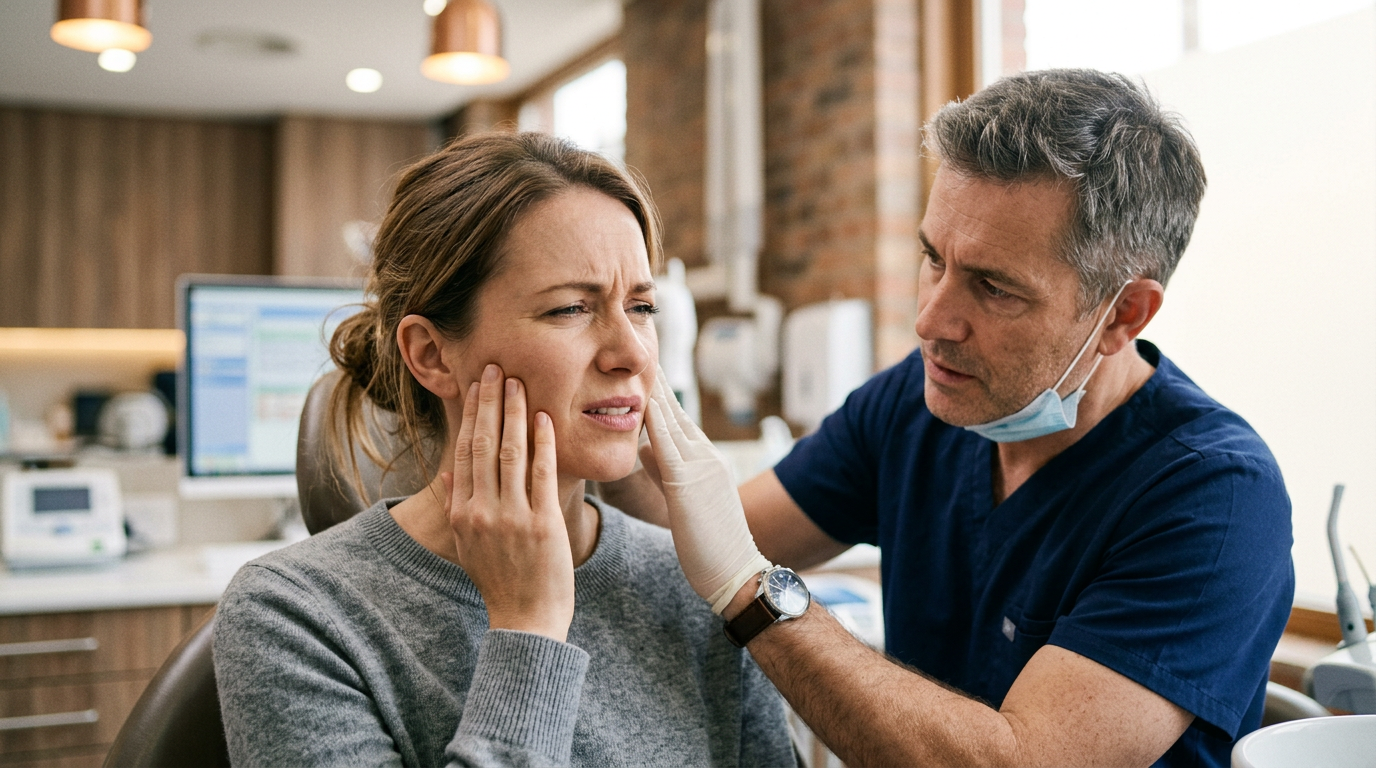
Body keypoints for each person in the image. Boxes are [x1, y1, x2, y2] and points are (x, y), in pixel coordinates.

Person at [633, 69, 1294, 767]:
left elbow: (1022, 761)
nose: (931, 320)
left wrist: (752, 589)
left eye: (993, 287)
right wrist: (619, 439)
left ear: (1123, 314)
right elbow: (699, 543)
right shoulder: (914, 407)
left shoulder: (1215, 497)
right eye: (932, 258)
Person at [213, 132, 796, 767]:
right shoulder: (294, 616)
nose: (632, 354)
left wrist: (745, 585)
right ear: (432, 355)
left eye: (642, 306)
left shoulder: (701, 584)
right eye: (570, 308)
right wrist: (528, 629)